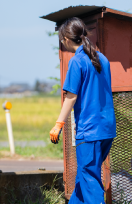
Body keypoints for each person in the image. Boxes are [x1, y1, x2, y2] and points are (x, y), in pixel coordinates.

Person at [50, 17, 116, 203]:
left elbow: (71, 97)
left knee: (89, 178)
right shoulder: (102, 59)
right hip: (107, 129)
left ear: (66, 39)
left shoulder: (77, 61)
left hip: (90, 131)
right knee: (84, 177)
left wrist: (58, 125)